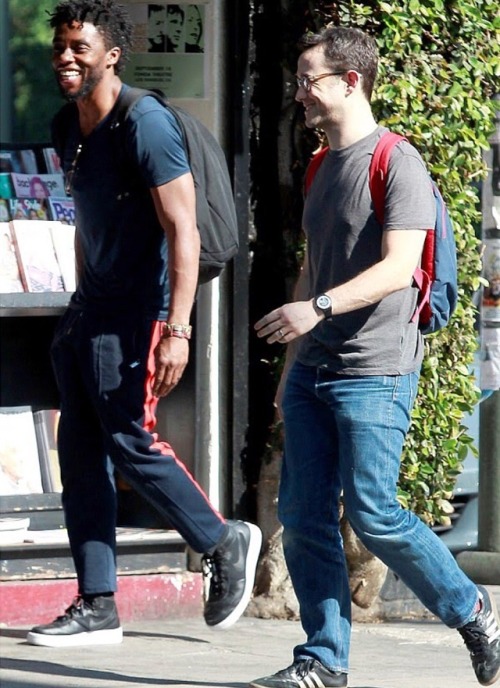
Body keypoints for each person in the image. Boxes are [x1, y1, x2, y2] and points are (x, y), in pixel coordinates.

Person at [252, 26, 500, 688]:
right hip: (315, 368)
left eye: (309, 80)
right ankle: (323, 660)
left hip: (376, 367)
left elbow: (398, 267)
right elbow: (314, 266)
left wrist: (319, 309)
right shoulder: (318, 164)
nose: (299, 93)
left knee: (372, 510)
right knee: (302, 518)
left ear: (350, 81)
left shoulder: (398, 162)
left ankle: (470, 608)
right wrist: (291, 367)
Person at [26, 0, 261, 648]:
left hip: (139, 315)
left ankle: (223, 539)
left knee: (131, 438)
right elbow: (88, 223)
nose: (67, 58)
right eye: (60, 47)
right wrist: (77, 305)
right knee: (79, 453)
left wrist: (178, 329)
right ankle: (97, 602)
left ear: (112, 53)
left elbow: (182, 232)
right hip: (90, 315)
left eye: (80, 46)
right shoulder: (67, 127)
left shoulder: (145, 124)